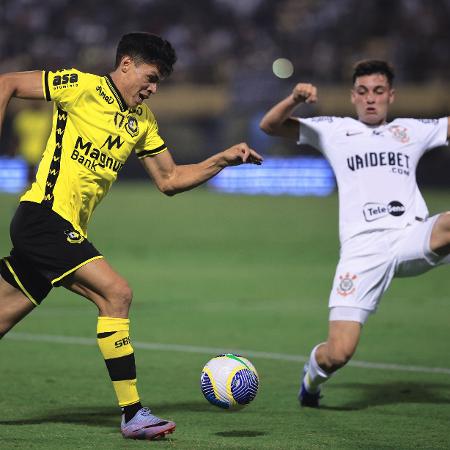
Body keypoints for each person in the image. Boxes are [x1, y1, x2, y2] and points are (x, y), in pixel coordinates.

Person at [0, 32, 263, 440]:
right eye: (151, 77)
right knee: (116, 293)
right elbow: (8, 83)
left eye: (159, 83)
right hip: (43, 218)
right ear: (126, 64)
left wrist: (221, 160)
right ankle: (133, 413)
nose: (153, 89)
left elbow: (170, 179)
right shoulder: (81, 86)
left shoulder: (142, 122)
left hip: (61, 229)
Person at [259, 59, 449, 407]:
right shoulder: (334, 130)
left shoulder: (410, 130)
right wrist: (294, 98)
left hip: (410, 236)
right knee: (339, 353)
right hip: (362, 252)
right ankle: (311, 379)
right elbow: (269, 125)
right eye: (363, 92)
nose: (370, 99)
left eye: (378, 91)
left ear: (391, 95)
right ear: (353, 96)